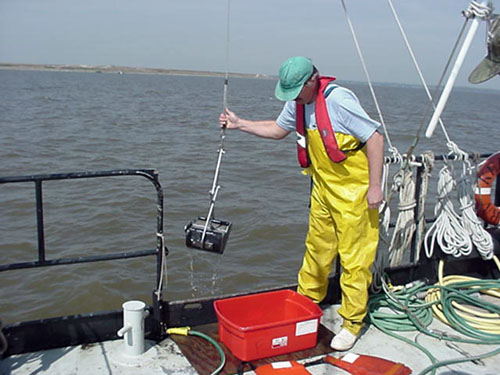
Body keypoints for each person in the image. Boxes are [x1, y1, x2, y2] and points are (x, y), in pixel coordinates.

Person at [219, 56, 384, 351]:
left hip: (355, 193)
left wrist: (375, 187)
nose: (293, 97)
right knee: (317, 250)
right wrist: (240, 124)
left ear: (312, 81)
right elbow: (278, 129)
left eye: (296, 91)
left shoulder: (339, 101)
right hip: (323, 189)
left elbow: (374, 138)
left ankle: (352, 323)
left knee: (354, 260)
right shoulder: (297, 102)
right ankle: (307, 301)